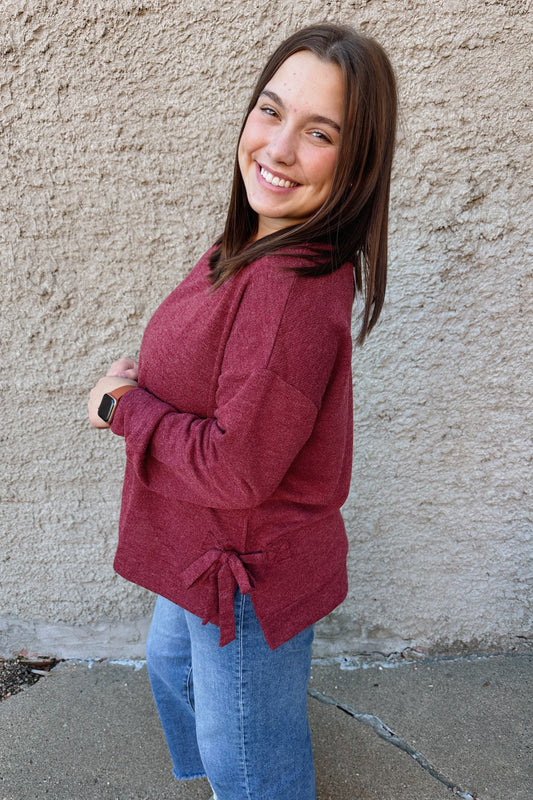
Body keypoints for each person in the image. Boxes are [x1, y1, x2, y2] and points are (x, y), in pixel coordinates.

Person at [88, 22, 397, 800]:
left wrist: (125, 409)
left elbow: (236, 466)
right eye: (270, 111)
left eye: (319, 132)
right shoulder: (252, 241)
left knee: (251, 755)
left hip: (245, 572)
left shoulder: (291, 288)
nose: (279, 148)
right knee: (171, 670)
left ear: (355, 163)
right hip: (198, 542)